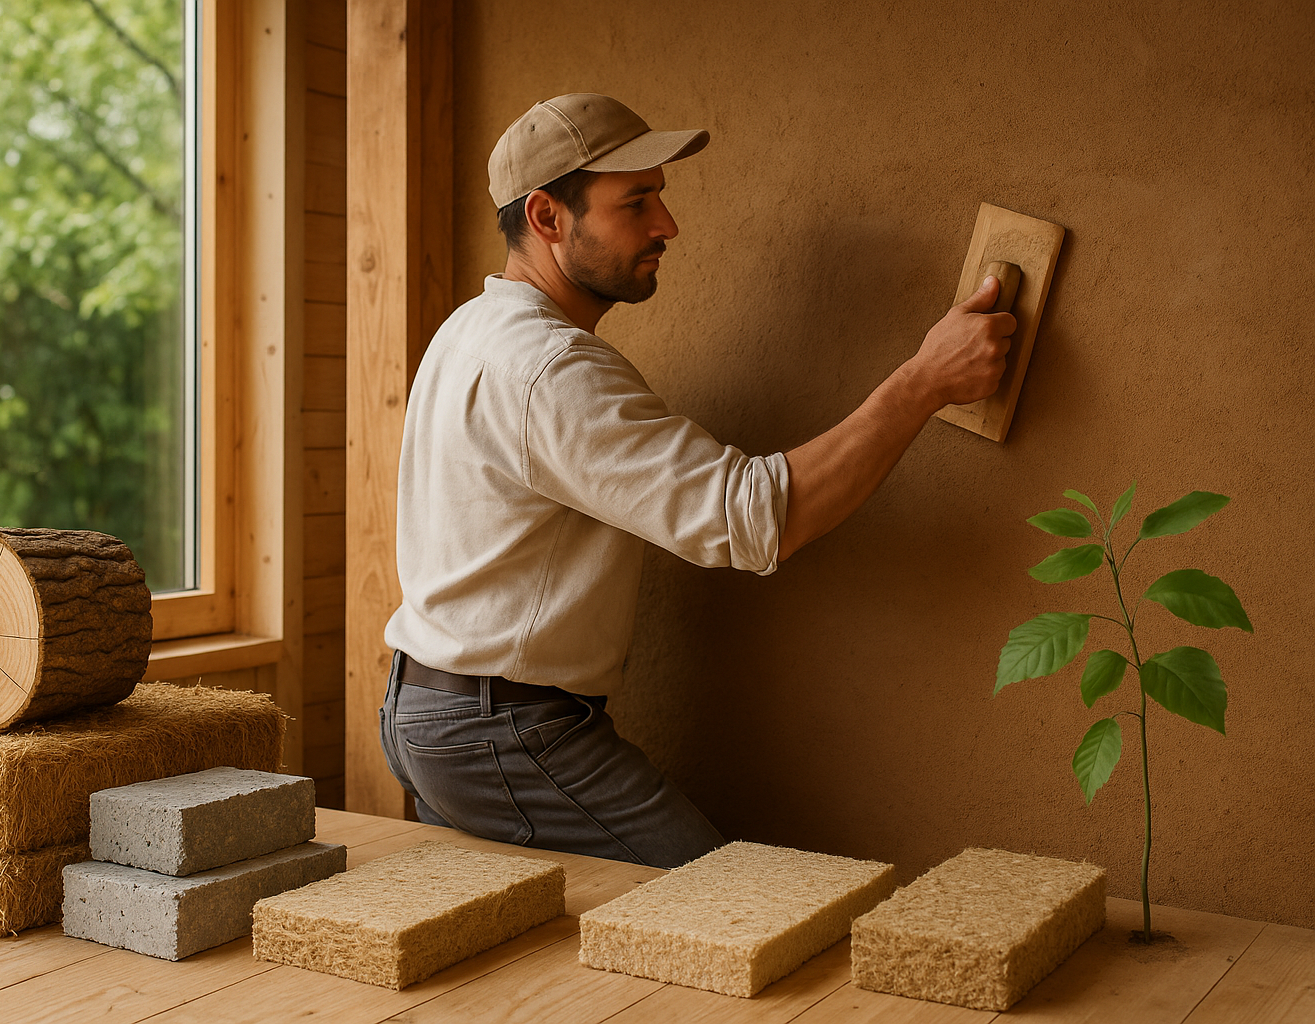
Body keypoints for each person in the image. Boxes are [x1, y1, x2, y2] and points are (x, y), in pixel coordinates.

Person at [377, 93, 1013, 869]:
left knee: (521, 954)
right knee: (730, 914)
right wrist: (923, 382)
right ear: (546, 217)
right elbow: (755, 519)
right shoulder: (551, 369)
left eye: (661, 199)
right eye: (635, 203)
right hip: (499, 733)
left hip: (430, 713)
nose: (666, 226)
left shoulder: (470, 330)